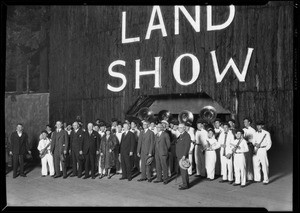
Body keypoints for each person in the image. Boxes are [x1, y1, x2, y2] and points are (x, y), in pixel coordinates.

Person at [176, 123, 191, 190]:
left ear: (184, 128)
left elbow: (187, 146)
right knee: (183, 171)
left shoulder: (187, 136)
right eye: (178, 127)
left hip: (182, 156)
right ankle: (185, 183)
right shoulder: (181, 135)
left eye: (180, 128)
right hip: (179, 155)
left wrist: (184, 155)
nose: (179, 129)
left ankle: (185, 185)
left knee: (184, 170)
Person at [243, 117, 256, 182]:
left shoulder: (253, 130)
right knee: (243, 161)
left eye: (246, 122)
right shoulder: (243, 130)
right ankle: (244, 177)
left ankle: (250, 177)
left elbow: (254, 140)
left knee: (249, 161)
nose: (244, 123)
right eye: (244, 122)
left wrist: (249, 141)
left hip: (249, 147)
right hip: (243, 147)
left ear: (249, 122)